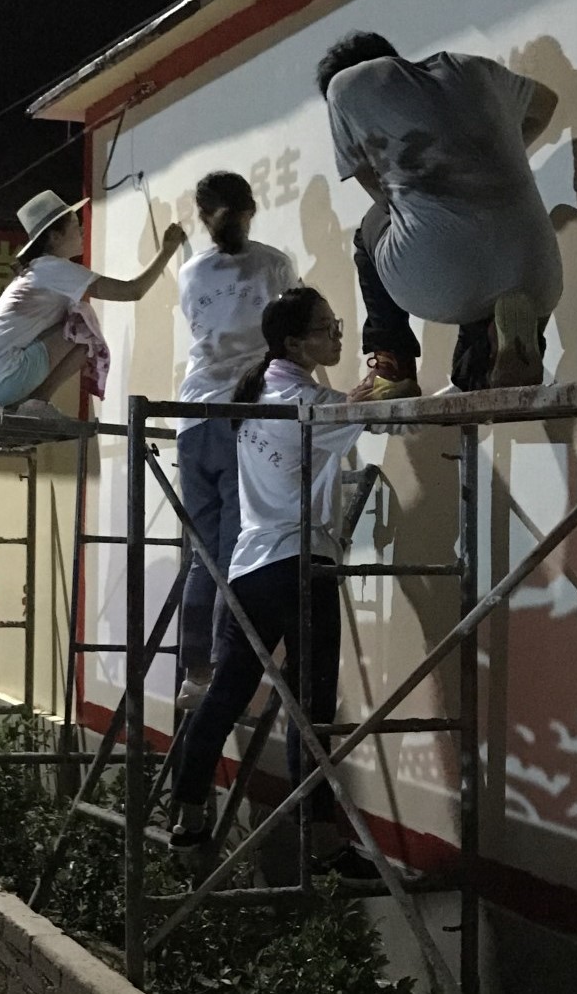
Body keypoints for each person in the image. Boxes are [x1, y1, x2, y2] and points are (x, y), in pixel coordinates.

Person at [170, 287, 378, 877]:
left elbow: (344, 413)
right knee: (311, 709)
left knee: (227, 692)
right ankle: (322, 842)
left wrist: (353, 399)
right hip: (301, 565)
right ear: (294, 342)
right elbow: (380, 416)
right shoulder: (305, 401)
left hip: (251, 567)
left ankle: (187, 817)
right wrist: (379, 394)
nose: (337, 337)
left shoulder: (258, 393)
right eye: (327, 328)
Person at [317, 32, 561, 397]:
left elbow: (382, 197)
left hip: (447, 276)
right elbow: (546, 103)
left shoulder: (346, 85)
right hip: (539, 275)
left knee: (371, 229)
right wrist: (481, 163)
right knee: (471, 380)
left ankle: (393, 366)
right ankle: (496, 350)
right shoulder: (472, 68)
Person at [173, 172, 298, 711]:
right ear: (252, 209)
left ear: (204, 217)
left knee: (204, 554)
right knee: (237, 553)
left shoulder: (190, 273)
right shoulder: (274, 265)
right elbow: (288, 338)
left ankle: (195, 673)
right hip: (243, 415)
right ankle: (227, 675)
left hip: (192, 418)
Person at [0, 189, 186, 416]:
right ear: (55, 237)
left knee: (75, 318)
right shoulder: (54, 269)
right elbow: (132, 291)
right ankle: (38, 403)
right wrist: (167, 251)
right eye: (75, 225)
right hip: (4, 376)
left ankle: (22, 405)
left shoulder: (36, 271)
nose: (82, 231)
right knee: (84, 325)